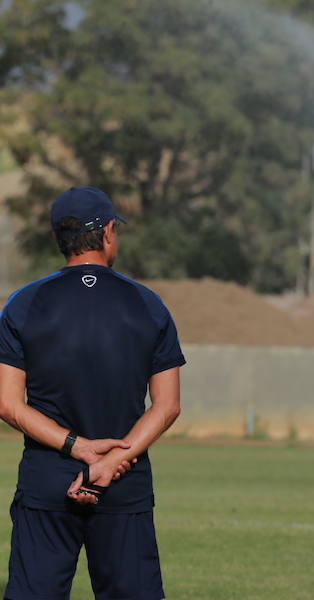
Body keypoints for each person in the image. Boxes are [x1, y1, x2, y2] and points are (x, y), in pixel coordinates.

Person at [0, 186, 185, 600]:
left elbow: (7, 404)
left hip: (47, 481)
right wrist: (112, 460)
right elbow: (168, 405)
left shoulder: (22, 304)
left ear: (58, 239)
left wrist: (78, 447)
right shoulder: (148, 304)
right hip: (122, 482)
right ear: (106, 233)